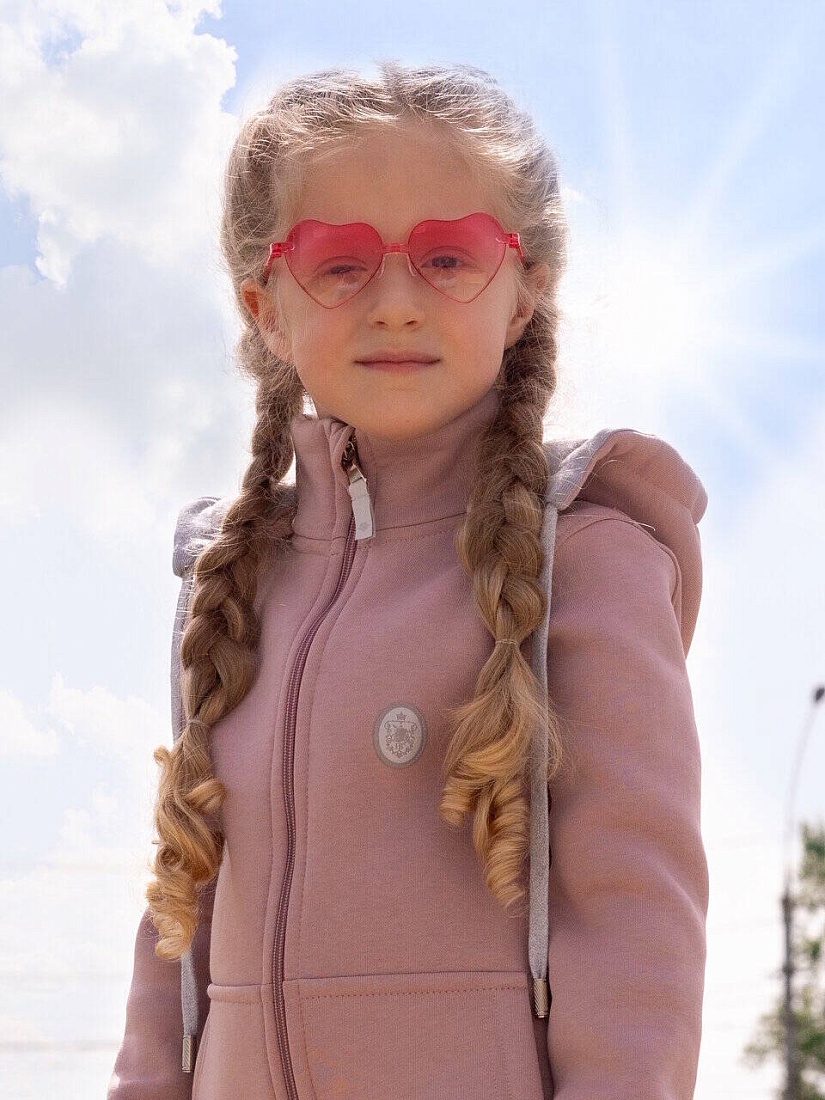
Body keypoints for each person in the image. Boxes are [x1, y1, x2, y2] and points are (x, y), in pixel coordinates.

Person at [107, 60, 709, 1100]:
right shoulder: (232, 578)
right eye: (339, 263)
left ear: (524, 292)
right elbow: (176, 926)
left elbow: (637, 928)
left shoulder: (588, 555)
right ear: (264, 306)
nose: (394, 304)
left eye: (446, 257)